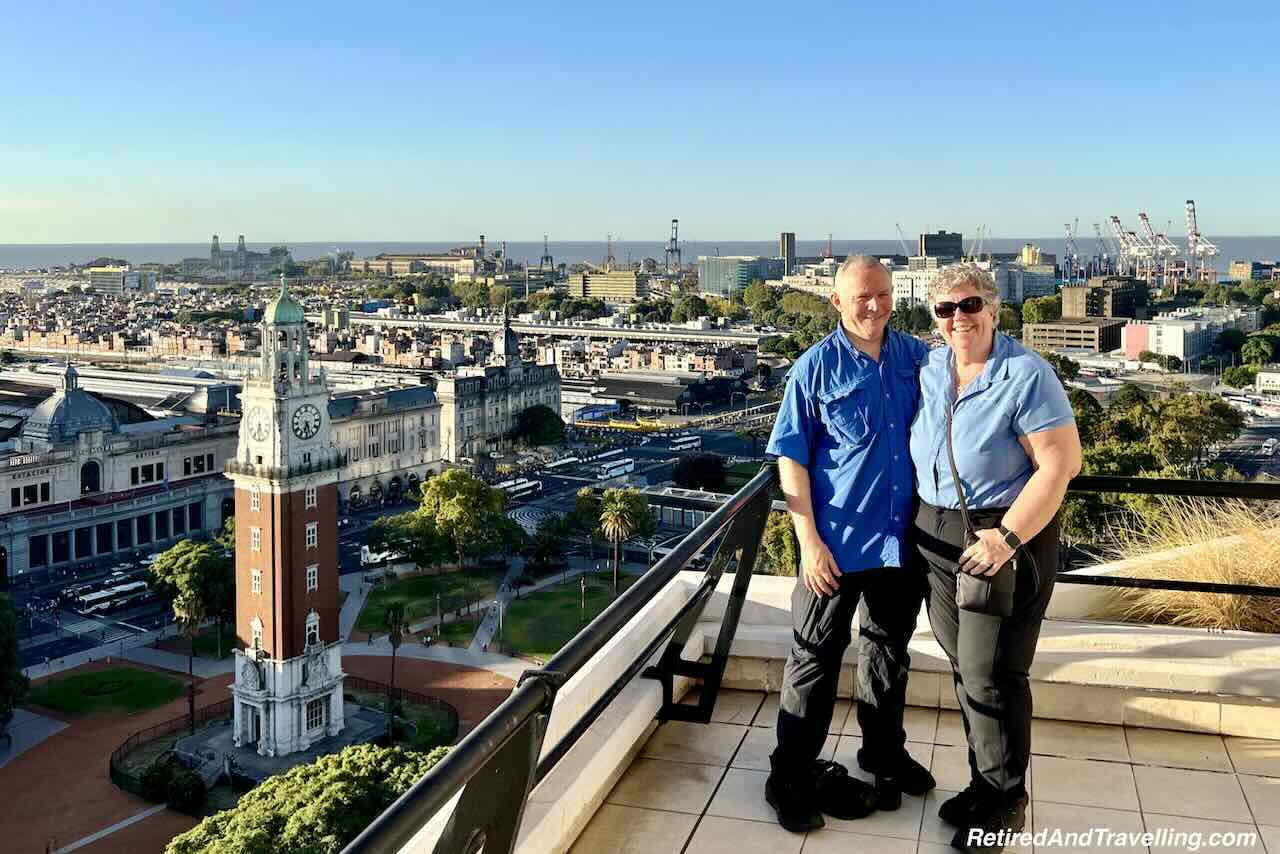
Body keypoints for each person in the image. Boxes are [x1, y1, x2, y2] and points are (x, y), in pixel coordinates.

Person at [908, 265, 1081, 851]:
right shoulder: (931, 367)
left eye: (971, 303)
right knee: (964, 666)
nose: (959, 316)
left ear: (994, 308)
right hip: (937, 535)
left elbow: (1060, 464)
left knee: (994, 671)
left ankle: (1005, 799)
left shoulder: (1026, 373)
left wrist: (1006, 537)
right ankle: (985, 785)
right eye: (946, 308)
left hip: (1001, 536)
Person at [764, 255, 936, 834]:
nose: (875, 305)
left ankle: (882, 754)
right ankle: (789, 776)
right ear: (836, 302)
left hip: (899, 541)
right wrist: (807, 540)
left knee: (888, 651)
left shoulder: (917, 358)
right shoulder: (813, 369)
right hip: (834, 545)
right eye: (862, 296)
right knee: (813, 658)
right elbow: (792, 458)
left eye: (883, 294)